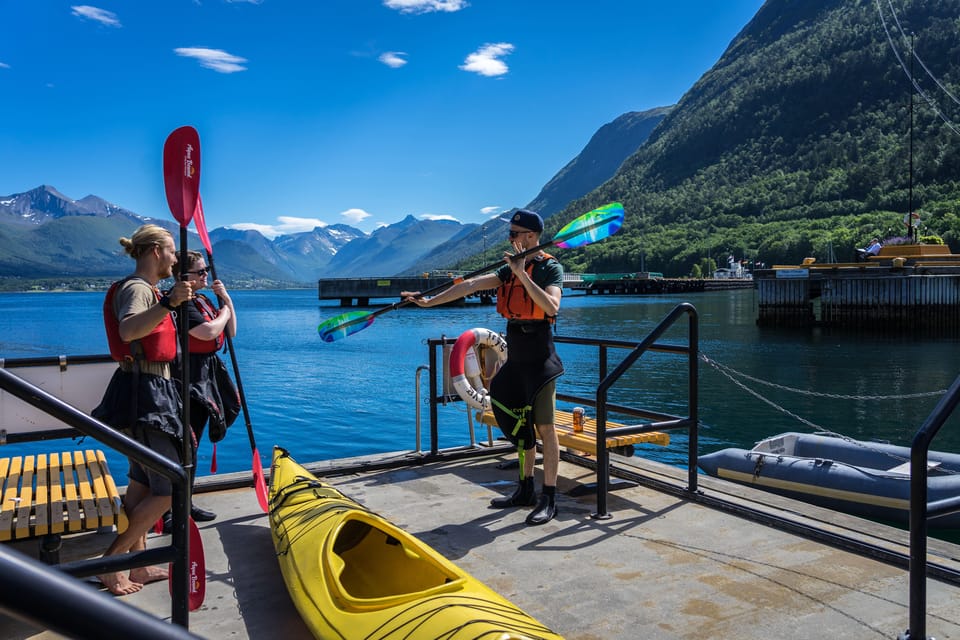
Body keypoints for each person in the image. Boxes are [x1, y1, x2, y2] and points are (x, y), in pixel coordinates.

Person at [402, 209, 564, 525]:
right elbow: (471, 285)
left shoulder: (549, 268)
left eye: (514, 234)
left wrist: (522, 274)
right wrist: (428, 301)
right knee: (516, 420)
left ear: (530, 237)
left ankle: (549, 497)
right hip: (516, 357)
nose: (510, 238)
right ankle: (525, 488)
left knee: (546, 428)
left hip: (540, 360)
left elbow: (552, 306)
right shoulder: (511, 269)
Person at [91, 224, 193, 595]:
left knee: (141, 484)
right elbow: (129, 331)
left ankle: (139, 564)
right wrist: (167, 303)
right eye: (171, 250)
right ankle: (112, 563)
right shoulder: (137, 288)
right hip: (145, 394)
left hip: (143, 389)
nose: (175, 258)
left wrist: (168, 300)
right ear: (154, 251)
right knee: (170, 488)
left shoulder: (144, 289)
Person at [163, 250, 239, 529]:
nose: (206, 274)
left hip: (205, 374)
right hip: (187, 377)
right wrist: (224, 313)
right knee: (184, 443)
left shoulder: (203, 300)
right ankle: (170, 511)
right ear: (185, 276)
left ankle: (186, 503)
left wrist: (227, 301)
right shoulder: (183, 303)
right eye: (201, 271)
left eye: (206, 270)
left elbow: (229, 332)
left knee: (193, 445)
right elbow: (207, 332)